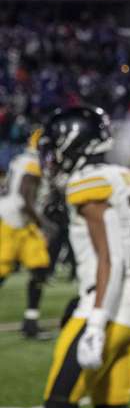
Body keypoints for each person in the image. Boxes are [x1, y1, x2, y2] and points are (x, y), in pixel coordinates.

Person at [39, 107, 130, 408]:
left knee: (59, 405)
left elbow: (111, 258)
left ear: (74, 141)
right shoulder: (124, 176)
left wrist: (96, 323)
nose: (53, 153)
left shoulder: (87, 183)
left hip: (107, 302)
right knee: (113, 407)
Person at [0, 130, 54, 339]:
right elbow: (25, 198)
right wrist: (44, 223)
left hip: (21, 222)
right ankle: (30, 323)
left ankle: (30, 323)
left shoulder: (21, 160)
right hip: (12, 221)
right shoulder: (32, 163)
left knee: (39, 268)